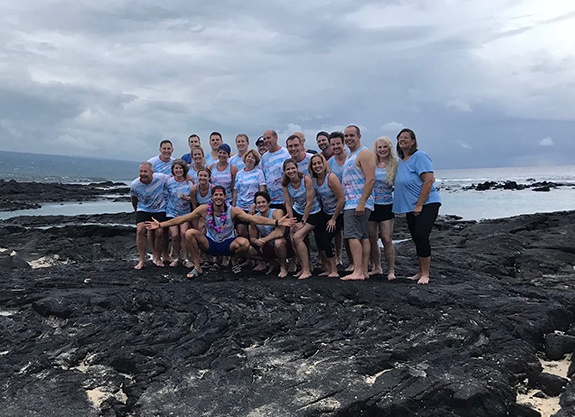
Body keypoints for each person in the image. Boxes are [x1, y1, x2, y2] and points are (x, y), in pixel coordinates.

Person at [145, 186, 294, 278]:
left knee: (244, 242)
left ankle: (234, 260)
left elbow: (252, 219)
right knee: (190, 232)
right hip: (210, 243)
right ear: (212, 198)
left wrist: (275, 222)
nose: (218, 197)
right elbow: (183, 218)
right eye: (215, 195)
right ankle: (198, 267)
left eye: (220, 195)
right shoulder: (204, 209)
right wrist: (161, 225)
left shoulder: (232, 210)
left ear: (225, 197)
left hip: (227, 244)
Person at [392, 128, 441, 285]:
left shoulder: (419, 156)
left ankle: (426, 274)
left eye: (406, 137)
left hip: (427, 203)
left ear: (413, 141)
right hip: (410, 206)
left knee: (421, 235)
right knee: (415, 238)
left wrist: (419, 204)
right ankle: (420, 271)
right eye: (400, 138)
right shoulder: (401, 162)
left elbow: (429, 180)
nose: (402, 140)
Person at [341, 125, 375, 281]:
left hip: (357, 203)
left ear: (359, 136)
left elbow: (371, 179)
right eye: (346, 136)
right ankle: (364, 270)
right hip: (351, 202)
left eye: (351, 135)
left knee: (352, 236)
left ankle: (358, 271)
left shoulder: (365, 154)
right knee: (362, 235)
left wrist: (362, 202)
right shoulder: (351, 155)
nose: (348, 138)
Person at [282, 158, 322, 280]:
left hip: (313, 212)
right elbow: (288, 204)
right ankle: (304, 266)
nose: (291, 171)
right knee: (292, 237)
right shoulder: (285, 184)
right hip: (297, 210)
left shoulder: (306, 180)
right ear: (284, 171)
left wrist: (303, 221)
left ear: (297, 168)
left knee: (298, 237)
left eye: (293, 168)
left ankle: (306, 270)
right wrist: (292, 221)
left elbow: (309, 202)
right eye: (288, 169)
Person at [309, 154, 344, 278]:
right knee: (318, 238)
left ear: (324, 164)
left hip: (338, 213)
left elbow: (341, 199)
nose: (317, 166)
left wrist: (333, 219)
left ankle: (334, 270)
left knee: (326, 239)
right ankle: (327, 268)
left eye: (319, 163)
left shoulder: (331, 178)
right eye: (314, 164)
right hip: (325, 212)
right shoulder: (315, 180)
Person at [368, 137, 397, 280]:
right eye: (379, 147)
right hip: (372, 205)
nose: (382, 150)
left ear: (389, 148)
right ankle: (377, 267)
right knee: (372, 238)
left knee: (386, 239)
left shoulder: (395, 164)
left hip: (387, 206)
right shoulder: (371, 163)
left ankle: (391, 270)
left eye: (385, 147)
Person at [130, 162, 169, 269]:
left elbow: (175, 178)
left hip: (159, 209)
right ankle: (142, 259)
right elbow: (134, 199)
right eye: (141, 171)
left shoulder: (160, 178)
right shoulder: (135, 184)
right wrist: (136, 211)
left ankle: (157, 257)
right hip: (143, 209)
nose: (143, 174)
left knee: (159, 231)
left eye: (145, 171)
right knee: (140, 230)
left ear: (152, 172)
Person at [246, 191, 293, 278]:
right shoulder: (255, 218)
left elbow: (280, 232)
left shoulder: (277, 212)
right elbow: (252, 237)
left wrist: (264, 239)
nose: (261, 205)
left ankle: (283, 267)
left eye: (263, 202)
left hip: (285, 244)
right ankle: (272, 262)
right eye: (258, 203)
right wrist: (256, 241)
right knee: (246, 248)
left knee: (278, 242)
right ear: (255, 205)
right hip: (268, 245)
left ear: (268, 203)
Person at [165, 159, 193, 268]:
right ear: (173, 170)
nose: (178, 170)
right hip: (171, 212)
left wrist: (187, 198)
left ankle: (186, 258)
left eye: (180, 168)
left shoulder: (189, 183)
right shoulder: (169, 181)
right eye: (176, 168)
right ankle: (176, 257)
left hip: (185, 212)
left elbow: (194, 198)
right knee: (175, 235)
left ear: (184, 169)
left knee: (184, 234)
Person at [232, 149, 266, 238]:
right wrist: (233, 207)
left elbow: (262, 190)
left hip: (253, 207)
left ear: (256, 161)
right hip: (240, 207)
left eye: (253, 158)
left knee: (253, 234)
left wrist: (255, 205)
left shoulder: (259, 172)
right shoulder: (239, 173)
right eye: (249, 157)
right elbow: (235, 192)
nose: (250, 159)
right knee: (241, 232)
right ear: (245, 158)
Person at [328, 131, 347, 265]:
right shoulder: (329, 163)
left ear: (343, 143)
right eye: (333, 144)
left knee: (353, 234)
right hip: (337, 202)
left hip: (353, 201)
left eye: (338, 143)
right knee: (337, 233)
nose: (335, 146)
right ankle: (339, 257)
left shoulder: (352, 158)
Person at [260, 129, 291, 209]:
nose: (266, 141)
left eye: (268, 138)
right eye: (265, 139)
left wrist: (289, 197)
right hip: (271, 201)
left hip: (285, 199)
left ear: (276, 138)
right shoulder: (264, 157)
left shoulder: (286, 153)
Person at [190, 167, 212, 233]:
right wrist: (200, 218)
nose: (202, 178)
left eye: (205, 176)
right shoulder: (194, 189)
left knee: (204, 230)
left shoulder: (213, 189)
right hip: (198, 212)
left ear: (209, 178)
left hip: (210, 212)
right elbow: (194, 206)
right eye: (200, 175)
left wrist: (205, 218)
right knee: (198, 230)